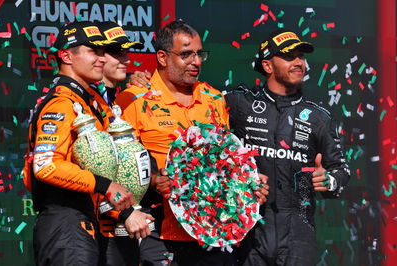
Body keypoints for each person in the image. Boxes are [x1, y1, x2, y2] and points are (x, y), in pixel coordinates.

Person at [116, 20, 269, 266]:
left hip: (213, 233)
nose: (196, 62)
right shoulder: (133, 99)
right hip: (157, 231)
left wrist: (247, 185)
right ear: (163, 57)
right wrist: (155, 181)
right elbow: (117, 165)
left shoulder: (214, 98)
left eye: (199, 54)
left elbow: (225, 163)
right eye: (186, 54)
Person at [225, 29, 351, 265]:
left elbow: (342, 169)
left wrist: (330, 180)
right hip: (247, 230)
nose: (298, 63)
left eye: (301, 57)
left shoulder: (318, 117)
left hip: (298, 233)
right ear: (268, 66)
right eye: (289, 56)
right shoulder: (239, 103)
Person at [22, 21, 135, 266]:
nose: (102, 59)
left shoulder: (83, 100)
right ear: (66, 56)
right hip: (65, 223)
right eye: (93, 51)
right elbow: (46, 166)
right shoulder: (62, 102)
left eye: (103, 52)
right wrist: (105, 185)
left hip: (80, 223)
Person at [94, 21, 154, 266]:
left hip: (122, 222)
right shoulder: (83, 102)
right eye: (118, 53)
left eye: (126, 52)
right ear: (96, 55)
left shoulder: (121, 97)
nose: (127, 59)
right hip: (96, 222)